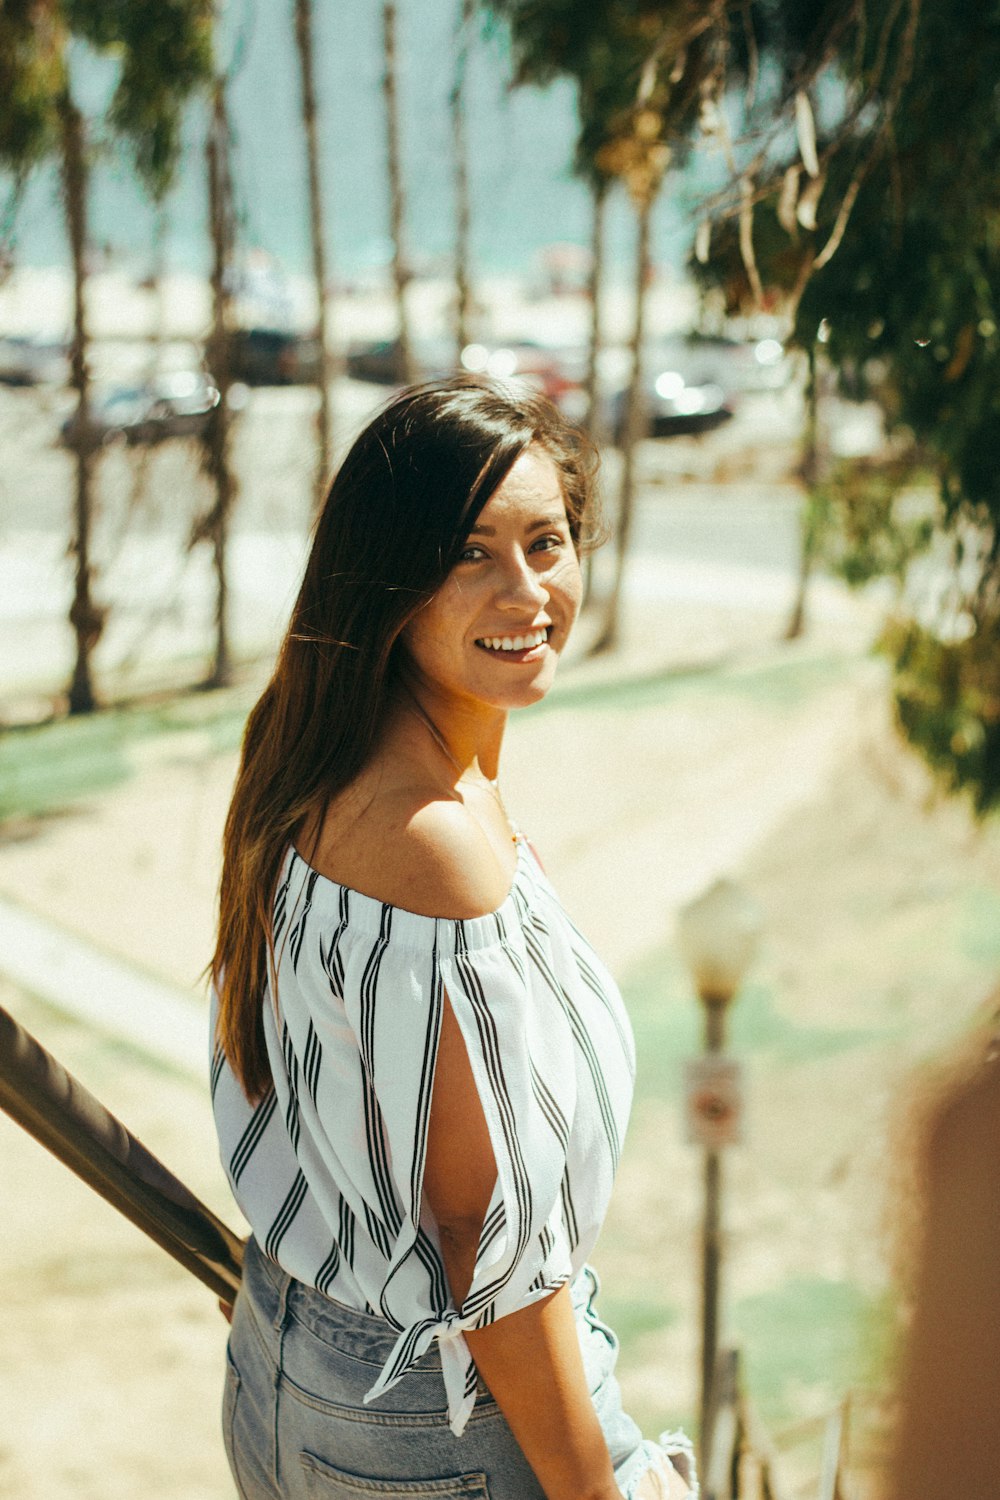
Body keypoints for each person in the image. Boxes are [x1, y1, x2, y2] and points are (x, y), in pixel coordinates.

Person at [209, 376, 695, 1500]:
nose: (527, 590)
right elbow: (488, 1245)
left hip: (289, 1353)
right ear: (389, 579)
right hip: (437, 1419)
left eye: (547, 541)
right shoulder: (431, 843)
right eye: (470, 553)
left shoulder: (319, 750)